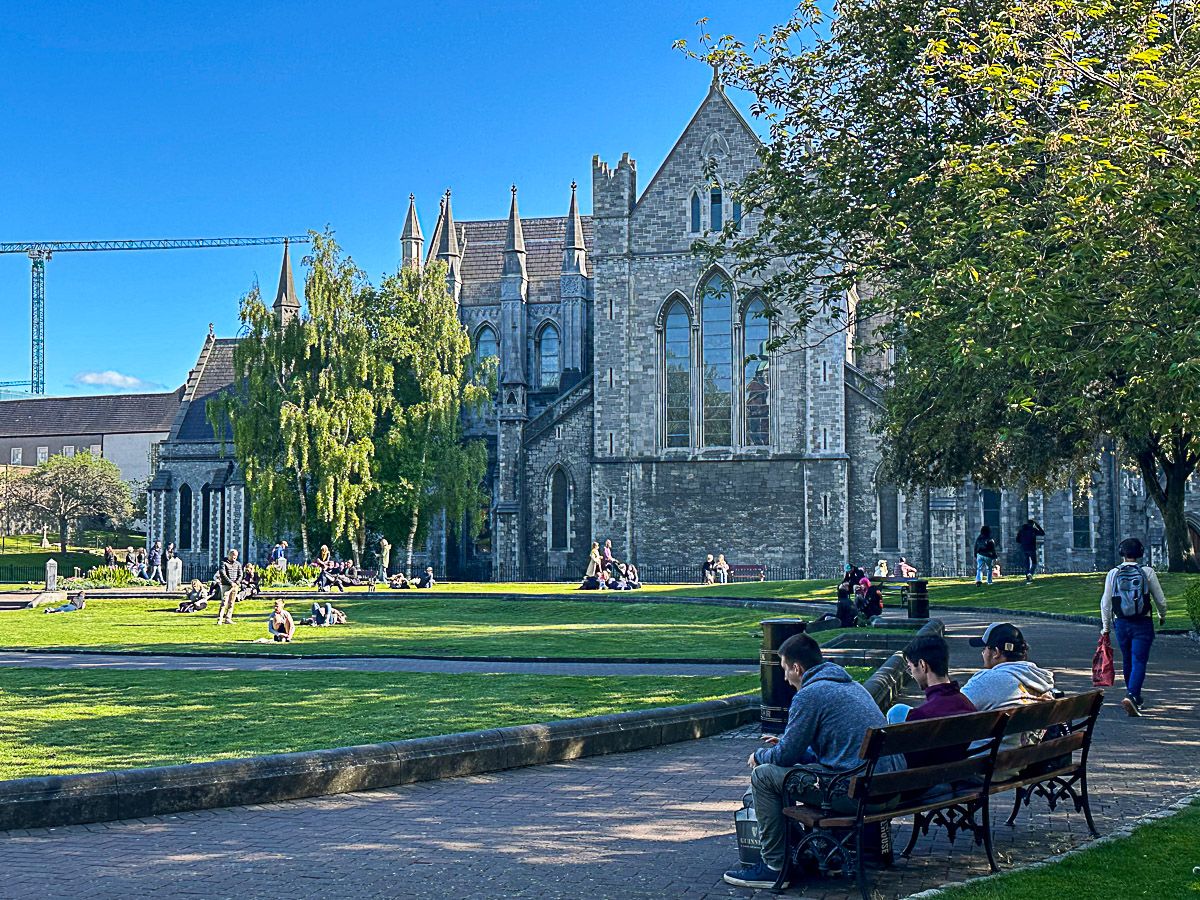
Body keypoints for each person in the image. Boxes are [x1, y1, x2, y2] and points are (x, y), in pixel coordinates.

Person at [722, 633, 900, 890]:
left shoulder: (810, 694)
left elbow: (783, 757)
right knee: (793, 772)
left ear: (797, 668)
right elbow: (833, 750)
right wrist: (788, 746)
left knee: (763, 776)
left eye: (785, 670)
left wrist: (759, 755)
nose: (785, 678)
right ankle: (815, 853)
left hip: (856, 794)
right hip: (887, 790)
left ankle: (775, 867)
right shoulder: (853, 686)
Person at [1100, 537, 1168, 717]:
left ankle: (1133, 695)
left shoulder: (1113, 573)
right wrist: (1162, 615)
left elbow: (1105, 603)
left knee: (1127, 659)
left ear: (1121, 553)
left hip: (1121, 623)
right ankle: (1132, 695)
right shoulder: (1147, 572)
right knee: (1139, 660)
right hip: (1142, 622)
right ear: (1140, 553)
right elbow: (1160, 599)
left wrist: (1106, 627)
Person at [886, 634, 977, 767]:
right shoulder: (967, 705)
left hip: (925, 778)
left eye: (911, 668)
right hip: (959, 773)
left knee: (897, 711)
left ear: (922, 665)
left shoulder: (919, 717)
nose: (912, 675)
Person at [962, 622, 1055, 749]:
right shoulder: (1041, 682)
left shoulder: (986, 680)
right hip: (1026, 757)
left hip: (985, 759)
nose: (983, 653)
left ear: (996, 652)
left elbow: (952, 709)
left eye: (985, 648)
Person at [215, 549, 243, 625]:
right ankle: (220, 619)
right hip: (226, 585)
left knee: (231, 603)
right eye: (233, 555)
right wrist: (230, 582)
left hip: (235, 586)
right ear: (229, 555)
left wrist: (236, 582)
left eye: (236, 556)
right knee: (224, 602)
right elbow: (222, 574)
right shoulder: (223, 563)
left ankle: (228, 618)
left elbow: (240, 574)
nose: (235, 557)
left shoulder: (238, 564)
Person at [1015, 519, 1045, 584]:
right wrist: (1037, 526)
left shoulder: (1021, 530)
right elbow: (1042, 533)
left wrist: (1023, 542)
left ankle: (1028, 578)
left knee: (1027, 564)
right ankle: (1030, 573)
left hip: (1024, 549)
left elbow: (1017, 540)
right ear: (1032, 524)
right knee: (1034, 563)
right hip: (1031, 548)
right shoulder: (1033, 530)